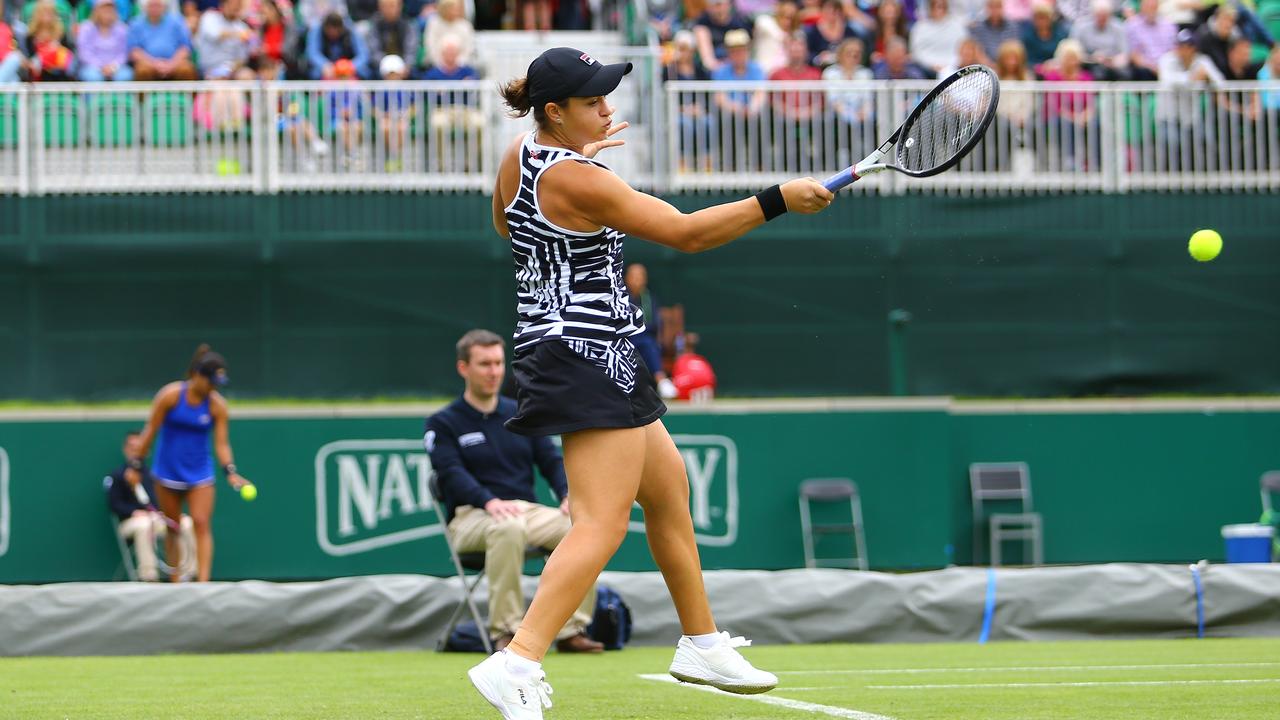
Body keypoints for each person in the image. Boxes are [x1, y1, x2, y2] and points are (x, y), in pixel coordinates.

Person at [467, 45, 832, 719]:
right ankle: (517, 658)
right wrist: (778, 199)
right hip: (585, 355)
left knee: (668, 493)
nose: (607, 110)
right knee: (600, 524)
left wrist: (579, 166)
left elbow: (509, 227)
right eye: (592, 103)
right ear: (554, 111)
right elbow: (687, 234)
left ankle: (699, 642)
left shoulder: (519, 158)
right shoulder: (581, 179)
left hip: (587, 350)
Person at [425, 330, 606, 655]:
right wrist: (488, 501)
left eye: (498, 363)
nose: (494, 371)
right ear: (463, 368)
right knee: (507, 527)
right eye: (484, 364)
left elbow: (550, 460)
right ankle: (506, 633)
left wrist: (566, 494)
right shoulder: (443, 422)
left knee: (583, 527)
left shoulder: (520, 412)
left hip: (526, 511)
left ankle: (571, 630)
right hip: (471, 517)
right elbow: (451, 474)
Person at [127, 344, 251, 583]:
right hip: (167, 472)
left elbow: (222, 444)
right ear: (196, 375)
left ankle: (203, 584)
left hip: (200, 474)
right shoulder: (170, 396)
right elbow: (150, 432)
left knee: (201, 523)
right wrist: (135, 464)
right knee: (173, 528)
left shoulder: (217, 406)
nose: (213, 388)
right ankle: (175, 584)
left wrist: (230, 471)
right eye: (210, 381)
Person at [105, 431, 196, 582]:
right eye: (131, 447)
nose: (135, 450)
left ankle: (187, 575)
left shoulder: (155, 475)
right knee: (144, 525)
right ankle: (149, 577)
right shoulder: (117, 476)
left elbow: (160, 503)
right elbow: (114, 504)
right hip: (132, 522)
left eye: (138, 447)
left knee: (185, 523)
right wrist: (134, 511)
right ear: (125, 449)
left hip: (157, 519)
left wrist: (171, 515)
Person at [623, 263, 678, 399]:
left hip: (645, 338)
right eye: (633, 276)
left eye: (639, 276)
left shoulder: (649, 299)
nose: (636, 280)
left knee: (648, 343)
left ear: (644, 279)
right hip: (625, 338)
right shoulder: (620, 297)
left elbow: (653, 323)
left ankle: (661, 381)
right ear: (626, 278)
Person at [823, 37, 874, 167]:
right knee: (842, 125)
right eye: (849, 52)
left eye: (857, 53)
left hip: (861, 115)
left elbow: (867, 99)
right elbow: (834, 101)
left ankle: (869, 165)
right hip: (838, 116)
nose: (853, 56)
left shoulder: (865, 73)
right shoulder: (831, 73)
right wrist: (852, 116)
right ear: (840, 54)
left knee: (874, 122)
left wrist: (864, 113)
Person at [128, 0, 198, 80]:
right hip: (148, 63)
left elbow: (185, 48)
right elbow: (134, 51)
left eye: (158, 5)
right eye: (152, 5)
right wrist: (154, 64)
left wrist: (171, 64)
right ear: (144, 7)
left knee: (186, 69)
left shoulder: (177, 21)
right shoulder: (136, 24)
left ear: (164, 7)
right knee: (142, 70)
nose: (155, 9)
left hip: (175, 62)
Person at [1070, 0, 1129, 79]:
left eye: (1105, 16)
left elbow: (1124, 53)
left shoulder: (1119, 27)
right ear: (1093, 14)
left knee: (1125, 74)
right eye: (1099, 15)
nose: (1102, 19)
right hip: (1088, 64)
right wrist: (1092, 59)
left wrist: (1112, 61)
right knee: (1098, 74)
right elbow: (1074, 52)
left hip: (1114, 65)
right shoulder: (1080, 27)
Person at [195, 0, 254, 79]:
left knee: (247, 75)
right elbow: (215, 35)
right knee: (218, 81)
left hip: (231, 70)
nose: (235, 7)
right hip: (208, 68)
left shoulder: (242, 27)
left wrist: (228, 70)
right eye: (233, 4)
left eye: (238, 4)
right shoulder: (209, 17)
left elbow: (242, 59)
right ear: (223, 5)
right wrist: (238, 34)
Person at [77, 0, 132, 81]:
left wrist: (113, 67)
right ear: (96, 11)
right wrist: (101, 66)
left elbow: (123, 53)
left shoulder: (122, 28)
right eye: (104, 9)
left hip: (117, 67)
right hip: (92, 67)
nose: (107, 13)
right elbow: (84, 53)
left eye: (110, 10)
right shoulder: (86, 28)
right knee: (93, 77)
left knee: (125, 75)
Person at [361, 0, 416, 78]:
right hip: (380, 67)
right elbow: (374, 50)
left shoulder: (408, 24)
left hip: (404, 68)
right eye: (385, 6)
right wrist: (385, 68)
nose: (389, 10)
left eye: (392, 6)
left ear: (400, 7)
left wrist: (406, 66)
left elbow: (411, 51)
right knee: (366, 72)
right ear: (380, 8)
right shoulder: (375, 25)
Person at [911, 0, 969, 75]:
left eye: (942, 7)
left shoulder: (957, 26)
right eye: (935, 6)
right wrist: (932, 66)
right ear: (930, 8)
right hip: (925, 69)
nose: (939, 10)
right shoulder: (920, 27)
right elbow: (917, 52)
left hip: (954, 68)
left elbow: (964, 49)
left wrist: (950, 66)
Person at [307, 10, 369, 79]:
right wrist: (325, 65)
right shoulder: (317, 30)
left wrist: (350, 67)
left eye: (336, 31)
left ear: (341, 28)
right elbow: (313, 54)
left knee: (364, 71)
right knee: (315, 72)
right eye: (329, 31)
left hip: (348, 68)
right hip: (326, 69)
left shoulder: (350, 29)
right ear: (325, 28)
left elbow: (363, 55)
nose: (332, 34)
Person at [804, 0, 867, 68]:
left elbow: (858, 49)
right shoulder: (813, 32)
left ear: (841, 13)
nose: (831, 15)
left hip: (845, 68)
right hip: (819, 68)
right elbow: (808, 54)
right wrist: (818, 58)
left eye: (835, 12)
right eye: (828, 11)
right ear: (822, 11)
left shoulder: (848, 31)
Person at [694, 0, 752, 72]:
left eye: (721, 4)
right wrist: (717, 67)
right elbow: (708, 60)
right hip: (715, 68)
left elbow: (744, 54)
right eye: (716, 5)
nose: (719, 9)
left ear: (729, 5)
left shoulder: (739, 23)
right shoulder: (703, 22)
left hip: (736, 67)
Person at [23, 0, 75, 81]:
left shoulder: (61, 33)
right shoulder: (30, 35)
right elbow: (30, 58)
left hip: (59, 70)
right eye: (44, 12)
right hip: (40, 73)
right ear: (38, 14)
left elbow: (67, 53)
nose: (47, 15)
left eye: (50, 12)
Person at [1125, 0, 1176, 80]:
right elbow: (1134, 55)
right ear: (1142, 7)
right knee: (1142, 72)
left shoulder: (1168, 25)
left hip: (1167, 67)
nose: (1151, 9)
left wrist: (1164, 67)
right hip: (1145, 69)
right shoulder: (1133, 25)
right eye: (1148, 6)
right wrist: (1153, 68)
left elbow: (1173, 50)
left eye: (1153, 6)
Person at [424, 0, 472, 69]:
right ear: (445, 8)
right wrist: (443, 65)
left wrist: (457, 64)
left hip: (461, 67)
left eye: (457, 8)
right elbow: (430, 47)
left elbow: (468, 49)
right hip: (436, 66)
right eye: (453, 8)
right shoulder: (433, 23)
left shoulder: (465, 26)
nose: (456, 11)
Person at [753, 0, 797, 73]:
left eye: (791, 18)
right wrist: (783, 36)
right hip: (764, 73)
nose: (788, 21)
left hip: (783, 77)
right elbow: (760, 22)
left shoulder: (795, 34)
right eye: (784, 15)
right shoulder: (766, 22)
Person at [1019, 0, 1066, 66]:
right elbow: (1027, 59)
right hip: (1035, 70)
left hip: (1057, 69)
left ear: (1050, 18)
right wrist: (1041, 67)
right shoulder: (1027, 36)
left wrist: (1054, 64)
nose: (1042, 22)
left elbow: (1063, 55)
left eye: (1044, 18)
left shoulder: (1061, 33)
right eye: (1039, 18)